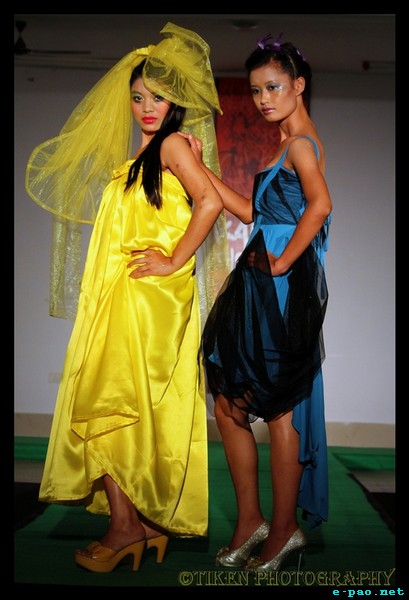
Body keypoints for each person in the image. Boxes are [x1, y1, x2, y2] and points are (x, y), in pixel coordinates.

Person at [25, 22, 230, 574]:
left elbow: (210, 203)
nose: (146, 107)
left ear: (176, 102)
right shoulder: (148, 154)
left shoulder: (171, 146)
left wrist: (175, 258)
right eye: (138, 97)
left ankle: (125, 528)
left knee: (108, 401)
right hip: (133, 297)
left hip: (145, 300)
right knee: (130, 406)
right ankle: (145, 523)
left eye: (157, 97)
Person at [184, 33, 332, 572]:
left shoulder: (301, 145)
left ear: (298, 85)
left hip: (280, 288)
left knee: (279, 408)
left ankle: (284, 528)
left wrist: (284, 262)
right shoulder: (287, 144)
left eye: (273, 87)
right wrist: (200, 171)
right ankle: (253, 520)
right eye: (255, 90)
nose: (263, 99)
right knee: (231, 405)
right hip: (260, 286)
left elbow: (320, 205)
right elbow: (252, 213)